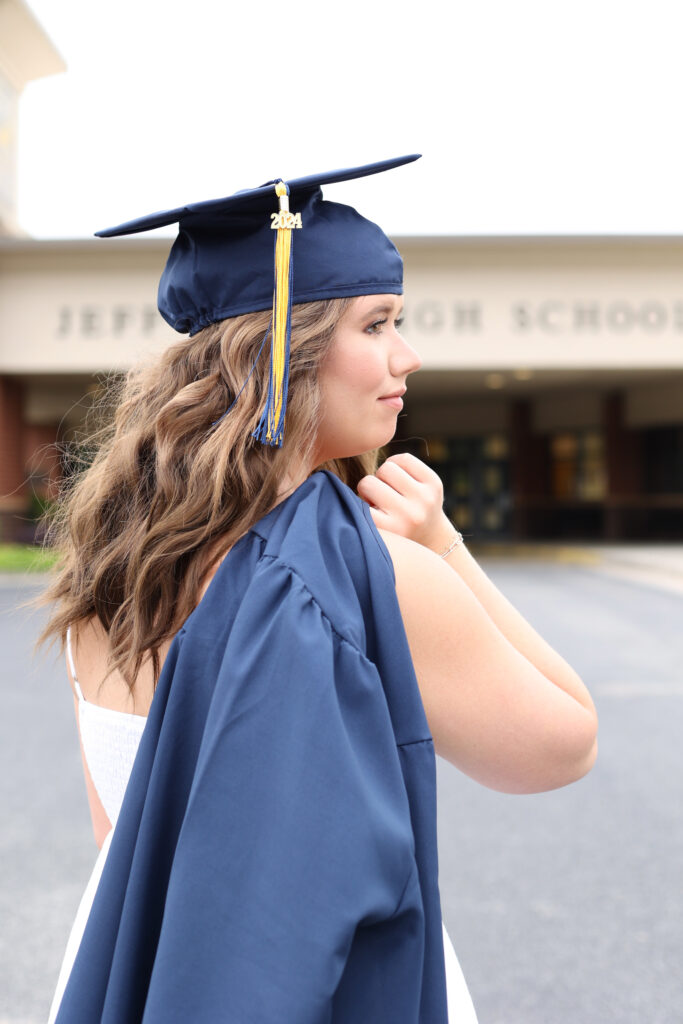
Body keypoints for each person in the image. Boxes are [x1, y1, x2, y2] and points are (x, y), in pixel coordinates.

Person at [39, 155, 598, 1024]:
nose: (406, 356)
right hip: (322, 982)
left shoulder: (112, 572)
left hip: (137, 969)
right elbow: (563, 745)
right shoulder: (374, 578)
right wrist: (444, 547)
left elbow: (125, 842)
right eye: (376, 324)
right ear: (283, 350)